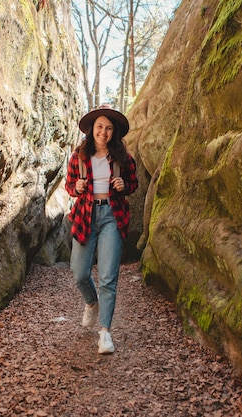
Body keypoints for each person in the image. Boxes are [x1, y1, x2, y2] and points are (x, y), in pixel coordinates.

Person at [65, 104, 138, 354]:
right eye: (99, 127)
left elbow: (133, 183)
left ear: (113, 132)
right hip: (85, 215)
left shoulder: (123, 157)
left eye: (108, 128)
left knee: (108, 277)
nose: (103, 132)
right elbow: (69, 185)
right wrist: (78, 188)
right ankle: (91, 302)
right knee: (78, 272)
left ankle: (105, 333)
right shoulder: (79, 156)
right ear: (91, 130)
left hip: (112, 216)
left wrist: (123, 185)